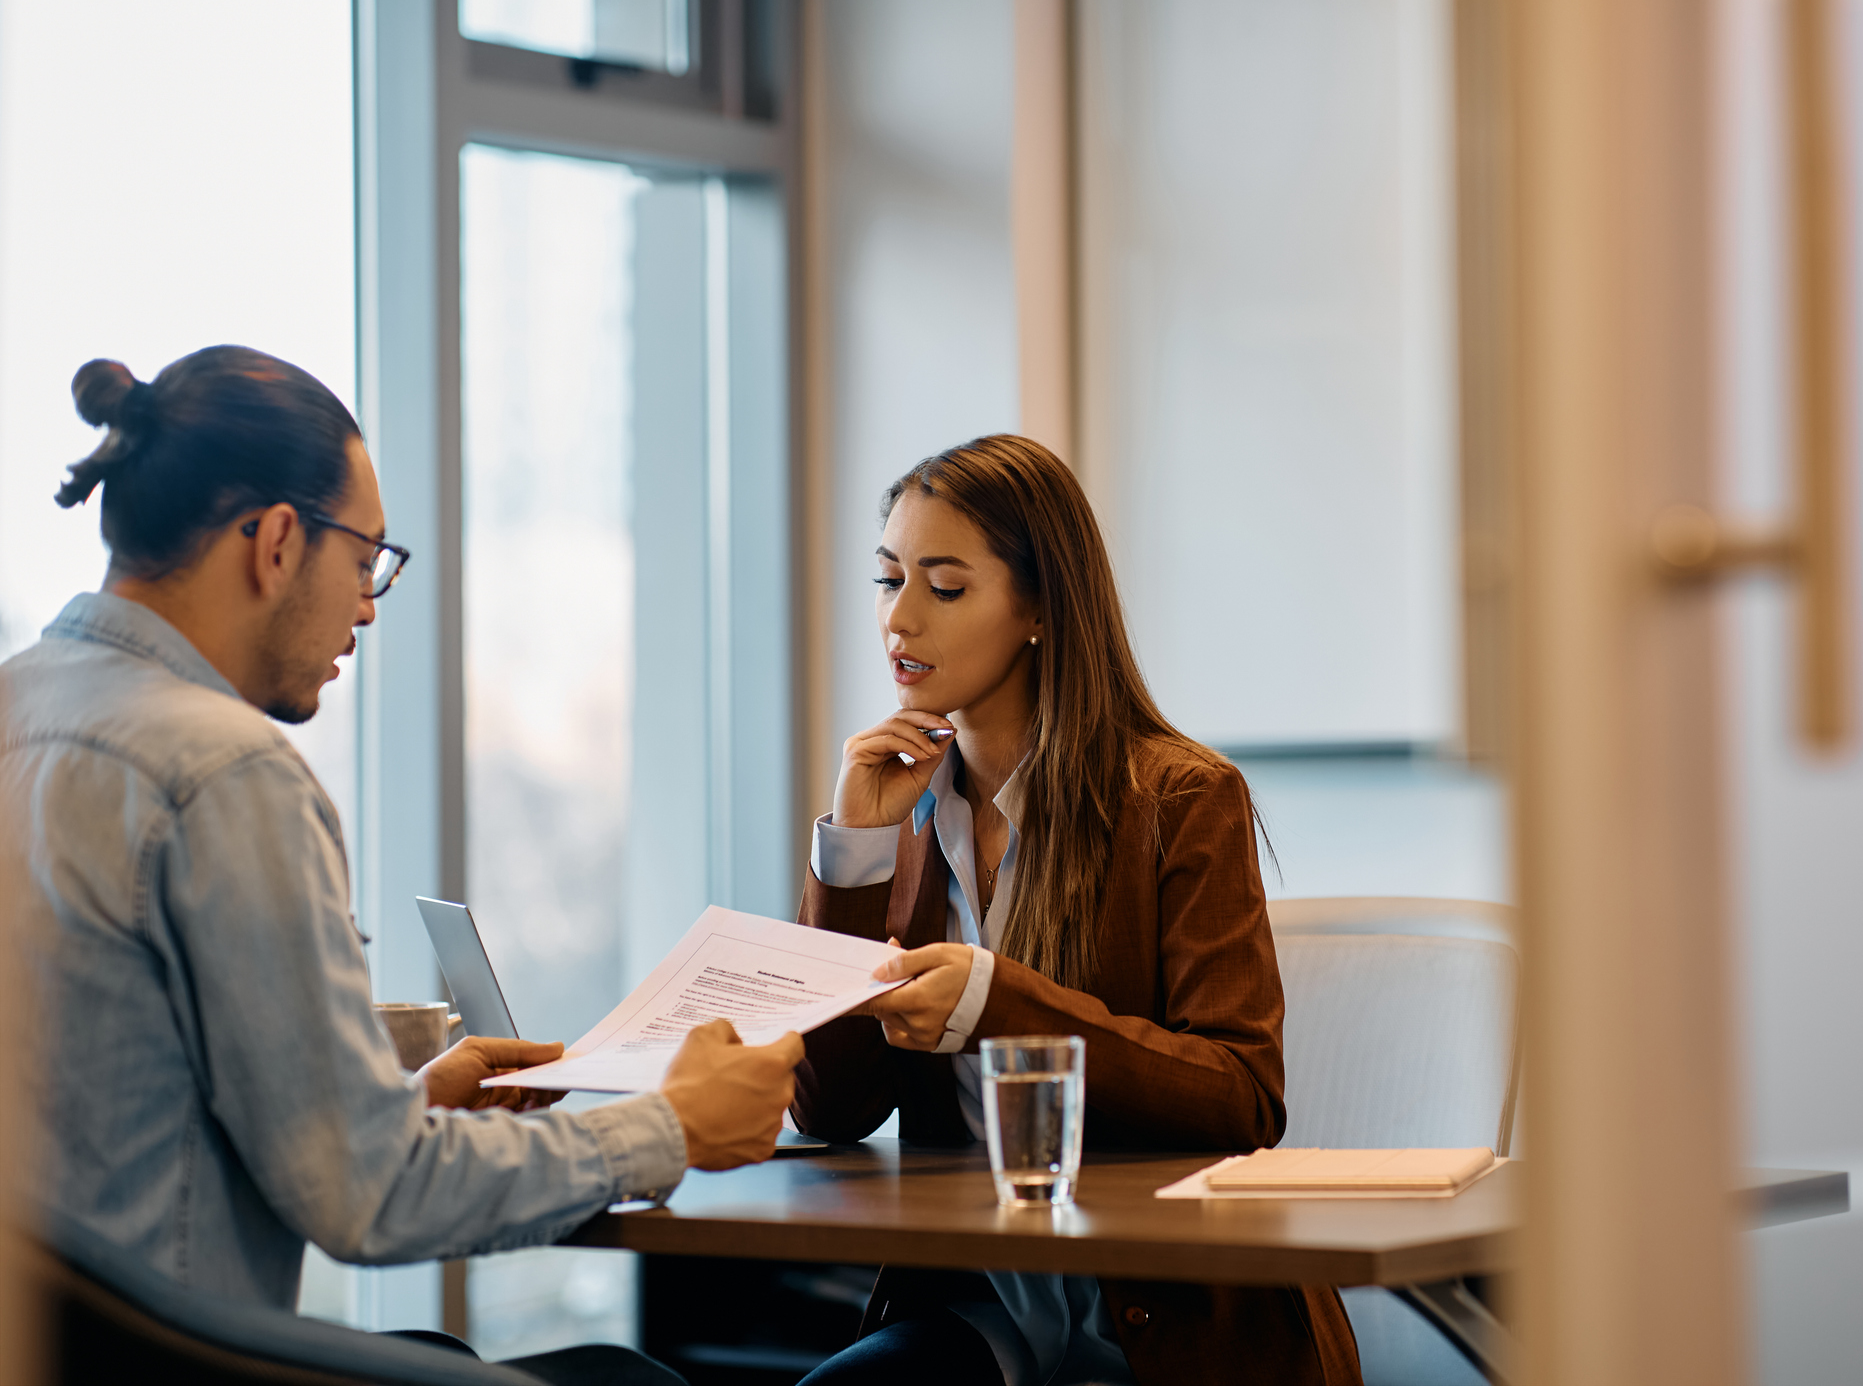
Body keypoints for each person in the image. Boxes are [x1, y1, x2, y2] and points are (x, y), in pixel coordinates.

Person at [0, 347, 805, 1383]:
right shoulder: (222, 771)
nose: (370, 606)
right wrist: (672, 1125)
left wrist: (403, 1104)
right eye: (366, 559)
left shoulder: (22, 706)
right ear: (277, 541)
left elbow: (116, 1111)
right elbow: (368, 1196)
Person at [790, 436, 1360, 1386]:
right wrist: (854, 847)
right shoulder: (904, 813)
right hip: (985, 1308)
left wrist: (994, 1005)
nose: (898, 617)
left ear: (1040, 608)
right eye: (888, 580)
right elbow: (831, 1109)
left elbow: (1241, 1097)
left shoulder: (1178, 797)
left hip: (1166, 1322)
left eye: (944, 586)